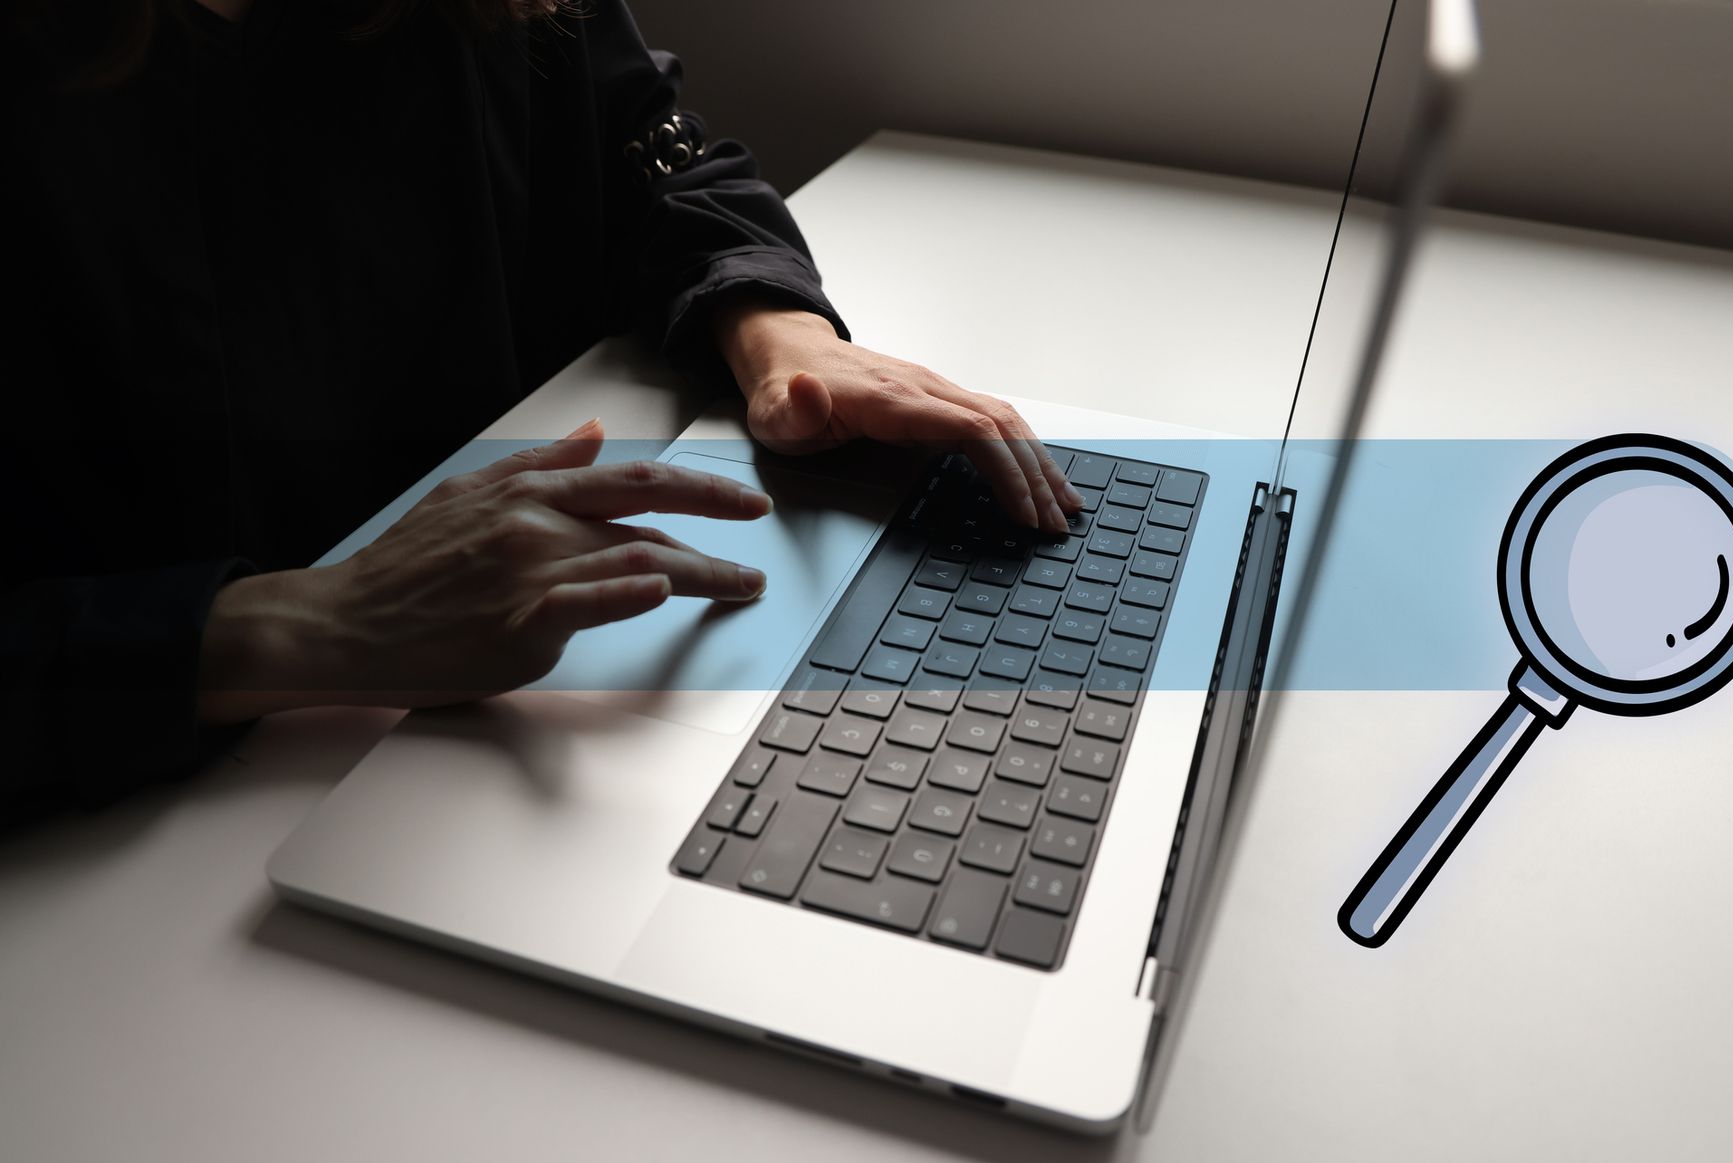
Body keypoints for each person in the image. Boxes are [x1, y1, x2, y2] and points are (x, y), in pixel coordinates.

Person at [2, 0, 1083, 822]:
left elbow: (658, 156)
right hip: (160, 817)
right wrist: (298, 627)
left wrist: (780, 337)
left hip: (484, 738)